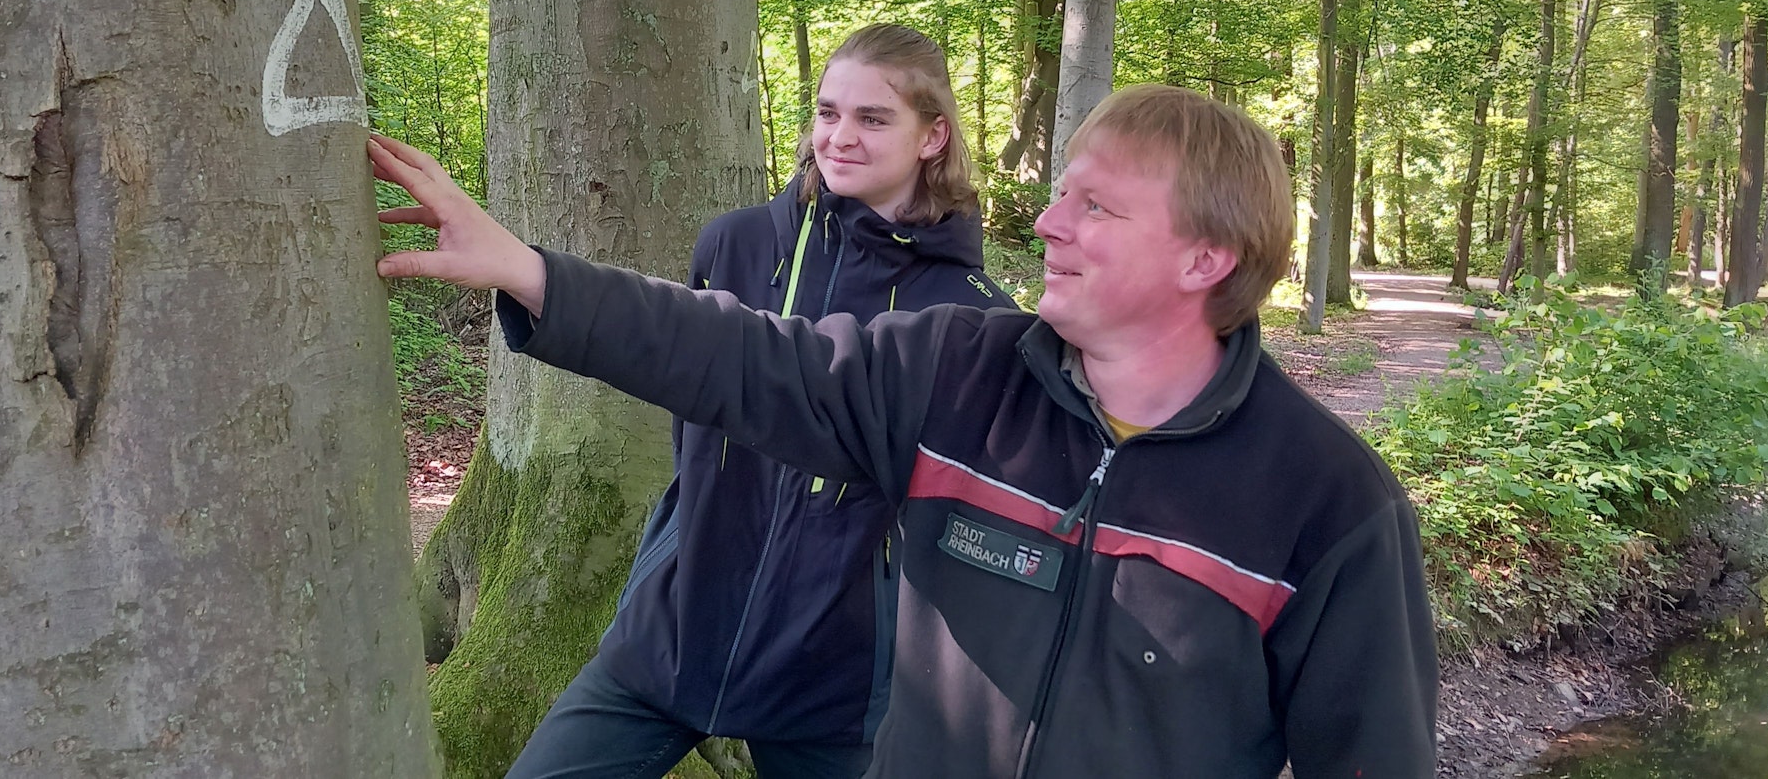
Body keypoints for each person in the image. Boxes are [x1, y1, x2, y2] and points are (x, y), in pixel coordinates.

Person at [369, 83, 1439, 778]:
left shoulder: (1327, 504)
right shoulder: (956, 371)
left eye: (1096, 209)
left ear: (1205, 259)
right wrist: (528, 271)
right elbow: (742, 357)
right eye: (1058, 196)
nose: (1049, 224)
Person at [498, 23, 1015, 778]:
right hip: (673, 632)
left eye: (873, 119)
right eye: (828, 112)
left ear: (933, 136)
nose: (839, 137)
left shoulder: (974, 315)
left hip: (831, 678)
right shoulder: (735, 244)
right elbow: (690, 404)